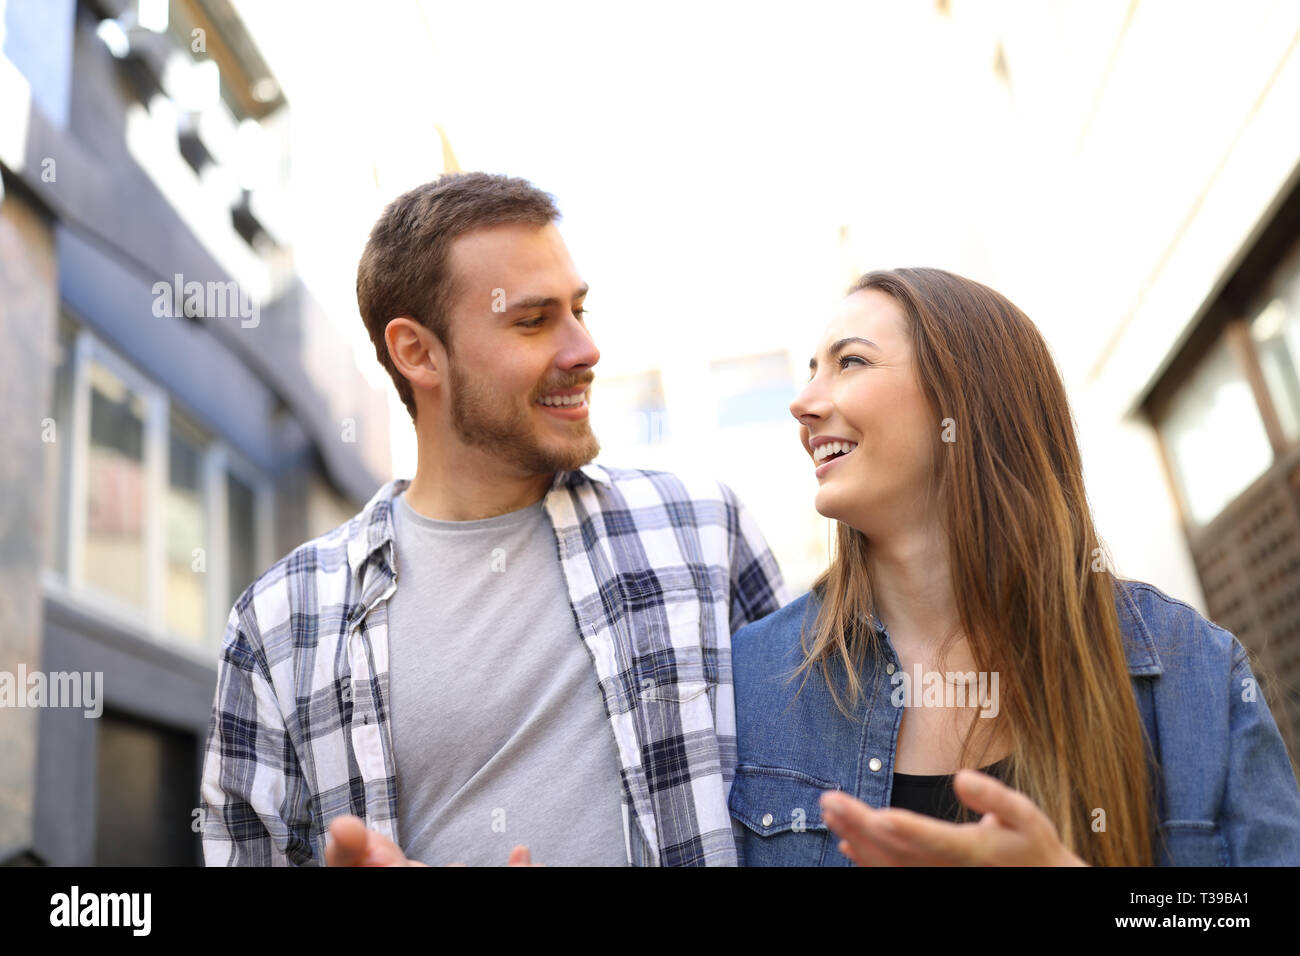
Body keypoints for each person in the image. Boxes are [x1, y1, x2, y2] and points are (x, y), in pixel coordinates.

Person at [198, 172, 788, 867]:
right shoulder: (279, 624)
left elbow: (818, 795)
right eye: (534, 321)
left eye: (579, 311)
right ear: (417, 352)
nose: (584, 351)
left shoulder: (701, 531)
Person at [728, 266, 1300, 866]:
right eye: (811, 370)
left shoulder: (1195, 670)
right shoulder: (750, 683)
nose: (803, 404)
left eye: (850, 362)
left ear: (965, 399)